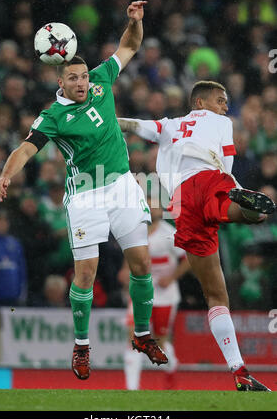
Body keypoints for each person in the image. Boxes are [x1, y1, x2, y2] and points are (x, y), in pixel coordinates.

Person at [0, 0, 168, 381]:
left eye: (84, 76)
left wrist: (134, 21)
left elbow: (130, 46)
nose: (82, 83)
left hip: (121, 185)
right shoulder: (53, 116)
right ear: (61, 82)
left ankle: (141, 335)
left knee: (141, 265)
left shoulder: (104, 80)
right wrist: (6, 175)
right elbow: (26, 148)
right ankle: (82, 345)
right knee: (85, 274)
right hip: (85, 194)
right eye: (73, 79)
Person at [117, 80, 276, 391]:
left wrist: (101, 119)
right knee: (248, 210)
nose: (225, 106)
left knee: (216, 296)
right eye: (220, 99)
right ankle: (251, 210)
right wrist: (235, 190)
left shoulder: (167, 125)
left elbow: (132, 125)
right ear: (200, 103)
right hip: (210, 180)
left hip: (181, 202)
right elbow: (226, 165)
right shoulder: (220, 122)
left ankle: (240, 371)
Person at [124, 198, 190, 390]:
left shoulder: (170, 234)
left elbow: (188, 260)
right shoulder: (134, 232)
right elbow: (130, 256)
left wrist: (171, 278)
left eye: (155, 208)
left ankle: (171, 366)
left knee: (160, 342)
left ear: (161, 212)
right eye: (148, 207)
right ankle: (132, 390)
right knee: (134, 337)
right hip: (140, 291)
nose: (152, 211)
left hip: (165, 295)